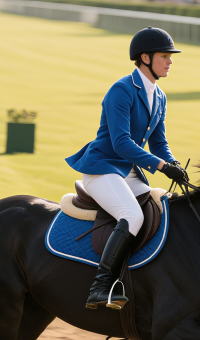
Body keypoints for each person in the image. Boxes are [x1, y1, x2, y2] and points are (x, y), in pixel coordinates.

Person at [66, 27, 187, 309]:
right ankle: (100, 286)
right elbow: (121, 143)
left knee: (159, 208)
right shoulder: (121, 90)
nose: (170, 61)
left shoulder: (159, 96)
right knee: (131, 215)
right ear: (145, 57)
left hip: (127, 172)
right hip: (102, 168)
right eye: (164, 56)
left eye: (170, 56)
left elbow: (159, 141)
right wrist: (161, 166)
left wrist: (172, 163)